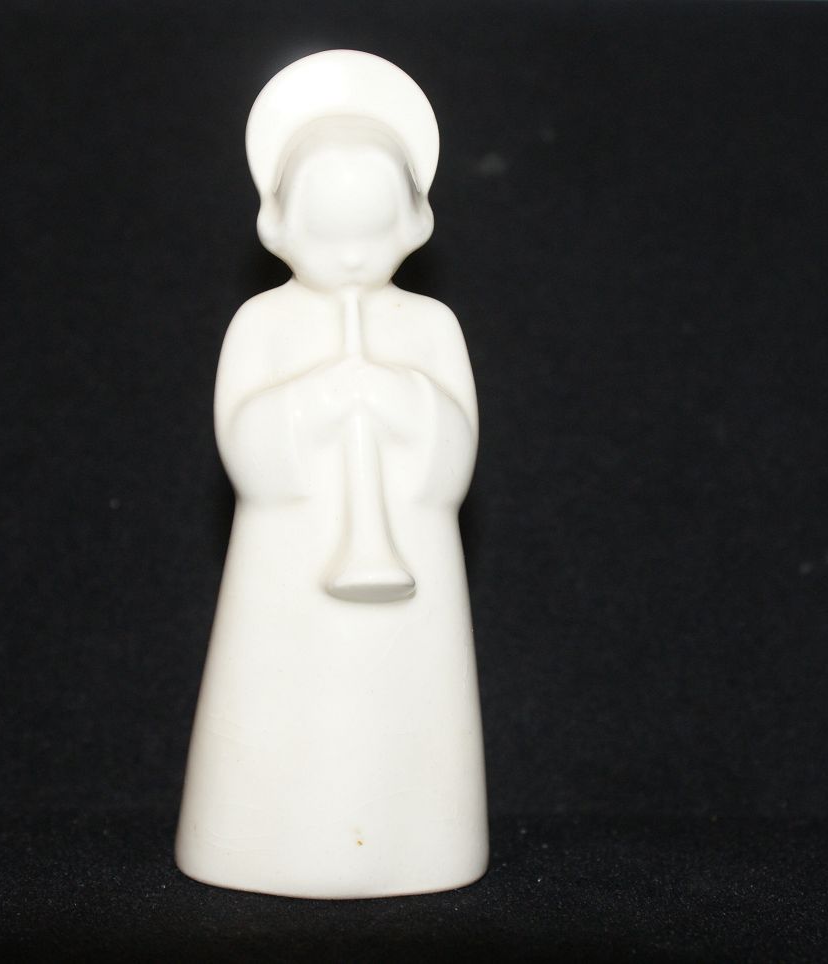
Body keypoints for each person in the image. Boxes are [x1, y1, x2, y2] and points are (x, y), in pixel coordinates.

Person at [176, 51, 487, 899]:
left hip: (409, 572)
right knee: (282, 709)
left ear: (414, 225)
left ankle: (417, 845)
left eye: (372, 232)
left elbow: (453, 467)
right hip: (285, 572)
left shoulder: (430, 325)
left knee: (400, 711)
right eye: (328, 233)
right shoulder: (260, 323)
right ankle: (255, 842)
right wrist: (315, 402)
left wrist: (404, 401)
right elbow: (248, 458)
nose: (351, 257)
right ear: (277, 227)